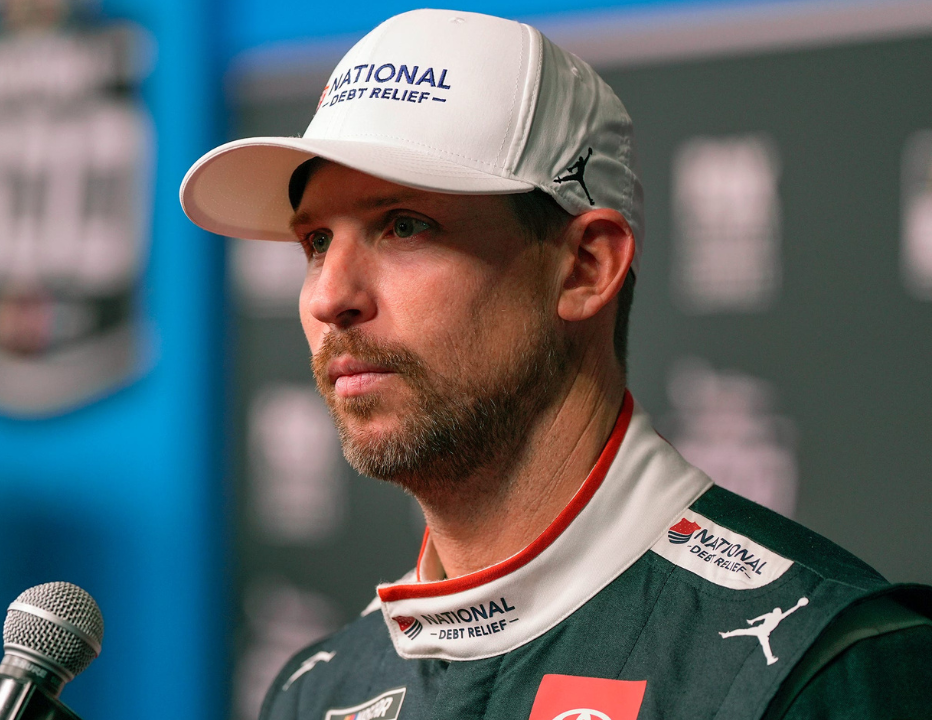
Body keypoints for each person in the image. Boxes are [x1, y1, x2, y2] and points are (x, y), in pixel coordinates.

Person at [179, 9, 932, 720]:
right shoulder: (320, 692)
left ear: (585, 267)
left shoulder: (820, 667)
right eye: (316, 242)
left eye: (404, 226)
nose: (329, 297)